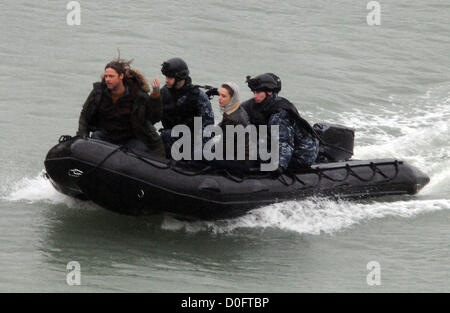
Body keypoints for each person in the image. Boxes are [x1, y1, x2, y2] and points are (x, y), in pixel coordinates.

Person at [76, 58, 165, 157]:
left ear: (121, 76)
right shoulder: (99, 93)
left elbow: (154, 117)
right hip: (106, 136)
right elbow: (85, 115)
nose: (108, 79)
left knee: (143, 150)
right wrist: (82, 135)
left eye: (111, 76)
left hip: (130, 139)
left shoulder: (138, 95)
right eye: (106, 76)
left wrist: (155, 97)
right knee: (95, 137)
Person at [241, 73, 320, 173]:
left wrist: (279, 165)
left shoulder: (279, 113)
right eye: (254, 92)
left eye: (258, 92)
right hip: (272, 145)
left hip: (300, 154)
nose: (255, 95)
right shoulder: (252, 105)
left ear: (269, 92)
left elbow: (284, 141)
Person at [159, 57, 214, 158]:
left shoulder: (199, 97)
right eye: (166, 77)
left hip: (189, 146)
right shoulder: (164, 93)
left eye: (170, 78)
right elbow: (152, 115)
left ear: (180, 78)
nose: (166, 81)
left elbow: (207, 127)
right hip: (167, 140)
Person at [213, 82, 253, 170]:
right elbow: (221, 126)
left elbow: (224, 147)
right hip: (243, 157)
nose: (219, 99)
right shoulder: (237, 109)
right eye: (219, 95)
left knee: (197, 154)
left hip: (238, 161)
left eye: (223, 96)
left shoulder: (232, 119)